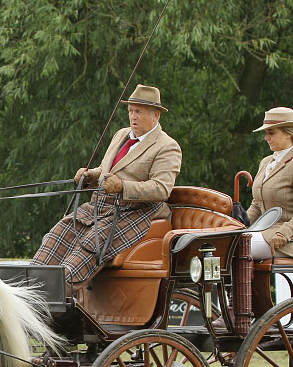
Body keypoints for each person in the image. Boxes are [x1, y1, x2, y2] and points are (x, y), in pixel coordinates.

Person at [31, 84, 182, 283]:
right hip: (100, 205)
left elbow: (161, 189)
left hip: (135, 212)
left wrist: (122, 187)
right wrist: (90, 176)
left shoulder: (167, 146)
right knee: (58, 234)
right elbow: (106, 169)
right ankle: (31, 284)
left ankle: (59, 292)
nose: (133, 116)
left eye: (139, 112)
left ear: (156, 115)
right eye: (130, 111)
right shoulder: (121, 135)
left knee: (89, 244)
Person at [246, 106, 293, 266]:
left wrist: (285, 231)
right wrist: (237, 225)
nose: (267, 137)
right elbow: (256, 205)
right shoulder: (266, 162)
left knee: (238, 248)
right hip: (265, 233)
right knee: (225, 242)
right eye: (266, 133)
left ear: (288, 133)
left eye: (271, 133)